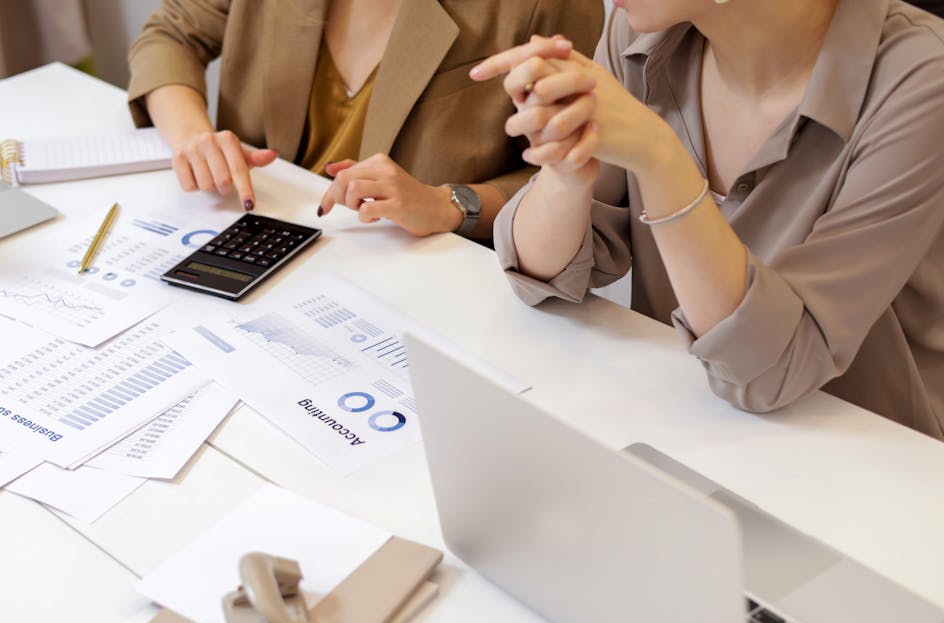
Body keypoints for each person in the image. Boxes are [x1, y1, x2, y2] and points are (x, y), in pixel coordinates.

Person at [471, 0, 944, 438]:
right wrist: (566, 168)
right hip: (684, 427)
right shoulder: (643, 34)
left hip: (869, 463)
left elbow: (771, 373)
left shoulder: (921, 81)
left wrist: (660, 159)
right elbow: (540, 275)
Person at [126, 0, 603, 239]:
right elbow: (170, 37)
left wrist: (450, 204)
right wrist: (194, 138)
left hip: (416, 283)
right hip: (246, 233)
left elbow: (577, 172)